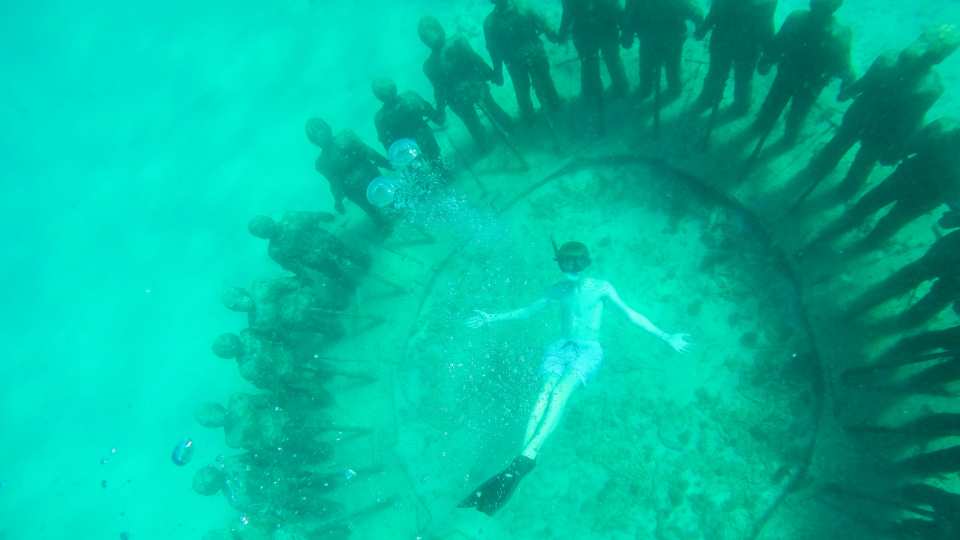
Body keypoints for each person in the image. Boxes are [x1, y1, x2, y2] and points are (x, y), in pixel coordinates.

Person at [458, 240, 691, 515]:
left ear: (585, 263)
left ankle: (529, 454)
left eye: (576, 263)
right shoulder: (557, 290)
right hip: (561, 347)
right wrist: (491, 318)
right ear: (559, 263)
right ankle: (524, 456)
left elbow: (630, 315)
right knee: (543, 392)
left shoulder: (602, 288)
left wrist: (665, 336)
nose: (570, 268)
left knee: (559, 393)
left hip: (588, 350)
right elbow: (527, 311)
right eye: (565, 263)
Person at [796, 26, 957, 202]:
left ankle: (820, 167)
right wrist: (900, 145)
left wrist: (848, 91)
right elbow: (911, 121)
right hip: (883, 130)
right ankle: (847, 189)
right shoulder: (932, 88)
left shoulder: (888, 59)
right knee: (863, 161)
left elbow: (864, 83)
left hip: (860, 115)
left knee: (840, 143)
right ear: (941, 59)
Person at [806, 118, 960, 259]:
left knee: (879, 212)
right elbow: (918, 141)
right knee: (884, 215)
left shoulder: (945, 130)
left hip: (913, 184)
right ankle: (855, 242)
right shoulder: (945, 130)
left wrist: (896, 153)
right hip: (915, 186)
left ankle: (855, 244)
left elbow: (917, 142)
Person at [748, 0, 855, 147]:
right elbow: (843, 66)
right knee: (796, 114)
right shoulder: (841, 34)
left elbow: (779, 44)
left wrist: (767, 59)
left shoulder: (797, 18)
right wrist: (847, 84)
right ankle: (787, 138)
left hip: (789, 76)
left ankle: (766, 127)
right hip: (808, 84)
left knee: (775, 106)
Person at [418, 15, 513, 151]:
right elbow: (475, 60)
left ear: (424, 42)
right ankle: (509, 126)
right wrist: (490, 74)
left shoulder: (428, 65)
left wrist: (440, 110)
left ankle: (485, 145)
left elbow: (439, 90)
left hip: (458, 98)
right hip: (476, 87)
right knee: (492, 107)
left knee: (472, 122)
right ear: (440, 29)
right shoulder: (458, 40)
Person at [692, 0, 777, 115]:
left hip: (723, 42)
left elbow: (715, 12)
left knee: (716, 74)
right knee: (743, 79)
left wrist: (703, 29)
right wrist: (769, 53)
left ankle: (708, 99)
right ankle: (741, 105)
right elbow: (766, 26)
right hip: (747, 48)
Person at [484, 0, 563, 122]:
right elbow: (543, 23)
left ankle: (532, 117)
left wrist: (498, 71)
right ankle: (553, 109)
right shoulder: (524, 6)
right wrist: (553, 35)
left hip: (516, 62)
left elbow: (494, 51)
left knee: (523, 91)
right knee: (541, 85)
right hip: (533, 55)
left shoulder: (490, 23)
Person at [305, 118, 392, 228]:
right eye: (316, 132)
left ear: (328, 127)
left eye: (321, 127)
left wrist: (385, 162)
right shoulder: (321, 163)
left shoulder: (346, 136)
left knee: (390, 198)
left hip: (370, 176)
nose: (321, 132)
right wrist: (338, 200)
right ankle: (384, 225)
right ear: (314, 140)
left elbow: (367, 151)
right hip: (354, 190)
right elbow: (334, 182)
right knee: (375, 214)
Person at [247, 213, 371, 289]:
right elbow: (317, 216)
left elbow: (294, 267)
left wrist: (305, 279)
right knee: (343, 261)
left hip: (321, 254)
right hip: (324, 250)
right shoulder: (290, 218)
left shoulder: (275, 249)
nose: (265, 231)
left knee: (337, 269)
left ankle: (354, 283)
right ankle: (360, 270)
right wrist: (328, 216)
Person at [622, 0, 705, 101]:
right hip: (668, 39)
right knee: (671, 65)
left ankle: (647, 88)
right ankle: (673, 88)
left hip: (651, 39)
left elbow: (629, 16)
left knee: (649, 66)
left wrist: (627, 36)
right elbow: (695, 12)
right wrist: (700, 27)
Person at [559, 0, 630, 101]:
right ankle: (621, 86)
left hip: (586, 34)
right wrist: (625, 29)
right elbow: (617, 9)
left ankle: (593, 91)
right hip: (606, 32)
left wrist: (562, 33)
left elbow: (567, 14)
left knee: (589, 62)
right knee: (612, 60)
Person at [371, 78, 443, 163]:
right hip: (425, 140)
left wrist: (395, 160)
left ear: (378, 97)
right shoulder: (410, 97)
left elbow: (388, 145)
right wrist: (440, 117)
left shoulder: (380, 118)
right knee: (437, 162)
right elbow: (433, 115)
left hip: (407, 149)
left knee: (423, 170)